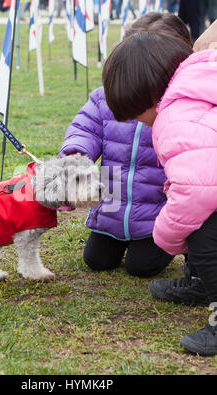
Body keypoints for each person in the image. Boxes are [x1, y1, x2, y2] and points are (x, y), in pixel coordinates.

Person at [102, 16, 217, 355]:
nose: (140, 124)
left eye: (137, 115)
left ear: (153, 96)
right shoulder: (198, 81)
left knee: (201, 231)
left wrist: (165, 236)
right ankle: (199, 284)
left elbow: (197, 191)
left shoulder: (173, 117)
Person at [59, 13, 194, 278]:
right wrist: (77, 152)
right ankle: (115, 237)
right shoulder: (106, 97)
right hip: (112, 204)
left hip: (153, 210)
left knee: (140, 266)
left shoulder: (174, 105)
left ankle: (173, 245)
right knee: (97, 260)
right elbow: (85, 127)